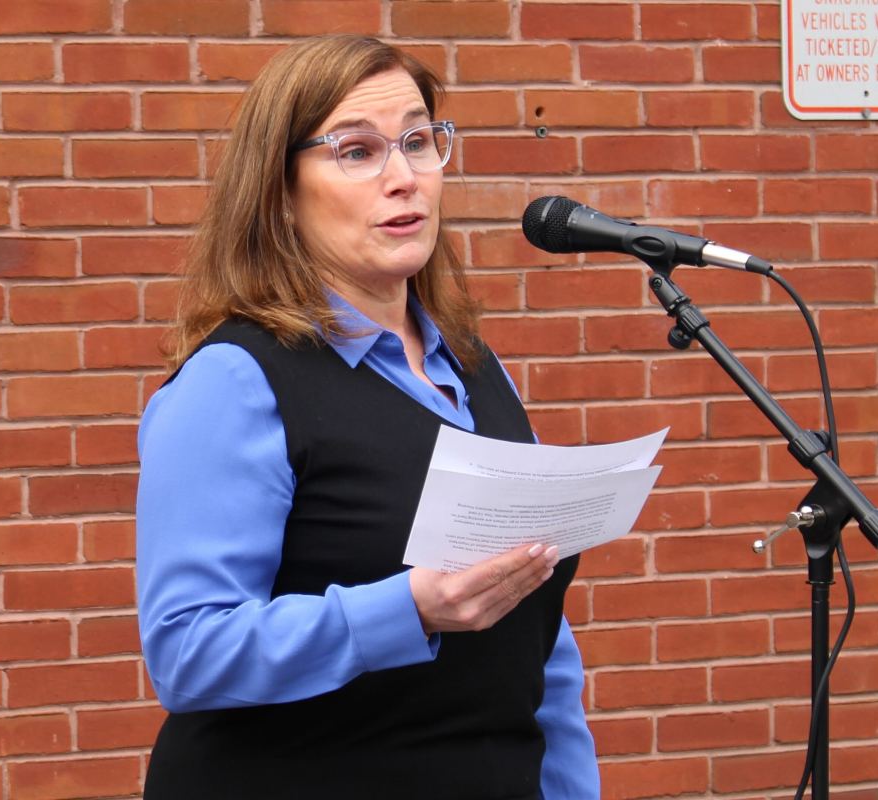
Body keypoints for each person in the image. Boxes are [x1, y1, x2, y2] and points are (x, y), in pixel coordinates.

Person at [134, 35, 599, 799]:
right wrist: (408, 609)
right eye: (357, 151)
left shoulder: (475, 370)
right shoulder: (236, 380)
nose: (403, 177)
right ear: (279, 190)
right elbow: (188, 651)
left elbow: (540, 643)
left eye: (418, 142)